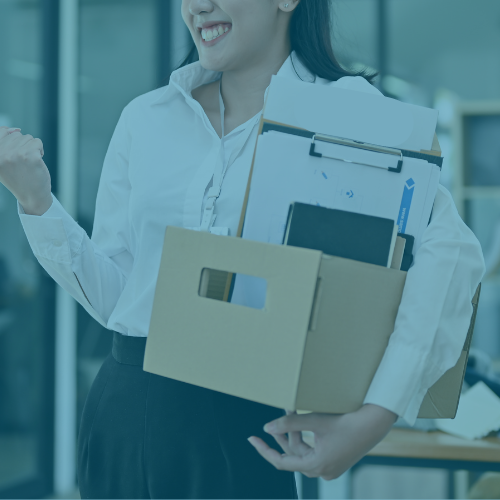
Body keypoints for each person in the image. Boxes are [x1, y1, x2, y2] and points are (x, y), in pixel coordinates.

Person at [0, 0, 485, 498]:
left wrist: (376, 416)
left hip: (244, 419)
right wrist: (38, 203)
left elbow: (452, 255)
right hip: (125, 404)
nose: (196, 6)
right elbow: (118, 299)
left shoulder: (350, 113)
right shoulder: (146, 117)